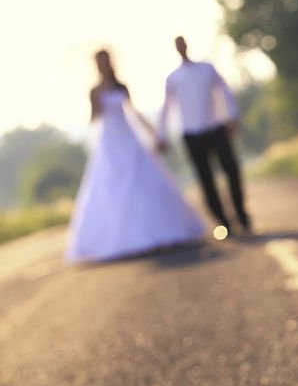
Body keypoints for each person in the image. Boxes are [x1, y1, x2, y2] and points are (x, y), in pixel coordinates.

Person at [66, 50, 206, 263]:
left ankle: (160, 234)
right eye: (100, 62)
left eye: (106, 60)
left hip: (128, 137)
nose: (104, 64)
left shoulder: (121, 86)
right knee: (116, 188)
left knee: (144, 185)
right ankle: (129, 240)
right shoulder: (95, 91)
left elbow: (134, 112)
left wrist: (154, 134)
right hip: (109, 142)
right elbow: (93, 118)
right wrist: (96, 98)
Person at [158, 36, 251, 237]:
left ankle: (242, 215)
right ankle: (223, 222)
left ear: (187, 45)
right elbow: (166, 108)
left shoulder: (206, 69)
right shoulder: (173, 78)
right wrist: (161, 135)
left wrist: (232, 116)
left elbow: (224, 91)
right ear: (176, 49)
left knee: (231, 171)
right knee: (206, 181)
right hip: (192, 134)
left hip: (215, 127)